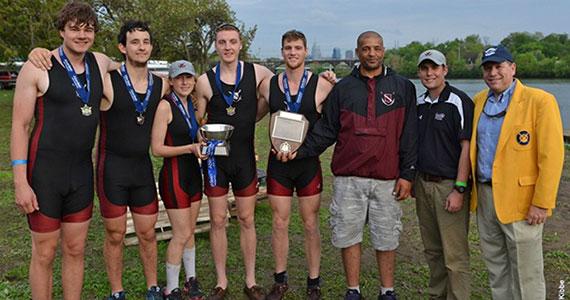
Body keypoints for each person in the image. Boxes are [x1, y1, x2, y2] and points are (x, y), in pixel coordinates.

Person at [278, 30, 417, 300]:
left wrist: (408, 174)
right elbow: (327, 130)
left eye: (376, 48)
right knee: (348, 236)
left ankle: (387, 291)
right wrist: (300, 150)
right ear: (357, 52)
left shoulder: (403, 87)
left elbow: (410, 134)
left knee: (386, 238)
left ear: (383, 50)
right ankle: (353, 290)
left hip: (387, 177)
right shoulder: (342, 89)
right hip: (348, 178)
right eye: (366, 49)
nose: (372, 53)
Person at [10, 2, 116, 299]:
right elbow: (19, 126)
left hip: (81, 174)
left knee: (75, 249)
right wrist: (20, 182)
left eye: (88, 29)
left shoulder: (100, 62)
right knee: (44, 252)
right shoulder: (38, 66)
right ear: (61, 31)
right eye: (74, 29)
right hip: (45, 174)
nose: (82, 36)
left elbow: (129, 64)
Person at [470, 45, 564, 300]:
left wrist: (542, 203)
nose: (493, 73)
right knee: (496, 266)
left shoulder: (540, 101)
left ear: (512, 68)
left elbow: (552, 156)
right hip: (486, 196)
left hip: (522, 201)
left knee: (526, 272)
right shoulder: (479, 100)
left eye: (499, 66)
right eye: (488, 68)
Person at [193, 23, 274, 300]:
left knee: (247, 219)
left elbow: (278, 93)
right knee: (217, 220)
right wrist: (198, 137)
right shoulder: (204, 81)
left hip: (244, 159)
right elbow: (198, 121)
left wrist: (324, 79)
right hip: (216, 162)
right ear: (216, 45)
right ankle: (221, 282)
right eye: (222, 42)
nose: (227, 47)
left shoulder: (259, 73)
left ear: (240, 45)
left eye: (232, 42)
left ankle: (250, 281)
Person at [96, 20, 169, 300]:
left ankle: (152, 287)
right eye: (135, 42)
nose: (142, 47)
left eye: (146, 42)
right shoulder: (107, 81)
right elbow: (87, 64)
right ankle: (117, 291)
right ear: (122, 47)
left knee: (148, 233)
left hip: (142, 169)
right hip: (111, 168)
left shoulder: (161, 85)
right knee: (115, 235)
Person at [257, 30, 333, 300]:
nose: (292, 52)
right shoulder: (268, 85)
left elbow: (332, 124)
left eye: (297, 48)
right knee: (279, 223)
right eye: (288, 48)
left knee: (310, 223)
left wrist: (305, 150)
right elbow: (253, 115)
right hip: (278, 163)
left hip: (307, 164)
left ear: (306, 52)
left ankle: (313, 282)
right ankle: (280, 281)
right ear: (282, 52)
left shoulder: (323, 85)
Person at [414, 49, 473, 299]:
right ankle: (437, 295)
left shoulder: (458, 101)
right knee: (433, 250)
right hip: (423, 184)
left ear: (444, 70)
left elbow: (467, 147)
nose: (430, 73)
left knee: (454, 254)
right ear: (419, 72)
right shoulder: (419, 103)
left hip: (449, 186)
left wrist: (459, 188)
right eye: (425, 68)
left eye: (435, 68)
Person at [150, 60, 206, 300]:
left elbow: (194, 135)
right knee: (181, 234)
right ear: (171, 81)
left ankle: (190, 279)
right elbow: (157, 149)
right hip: (174, 176)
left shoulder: (190, 105)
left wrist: (203, 139)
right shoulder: (165, 106)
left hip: (193, 174)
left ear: (194, 81)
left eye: (188, 77)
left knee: (190, 231)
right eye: (179, 77)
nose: (184, 82)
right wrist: (190, 148)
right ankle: (170, 288)